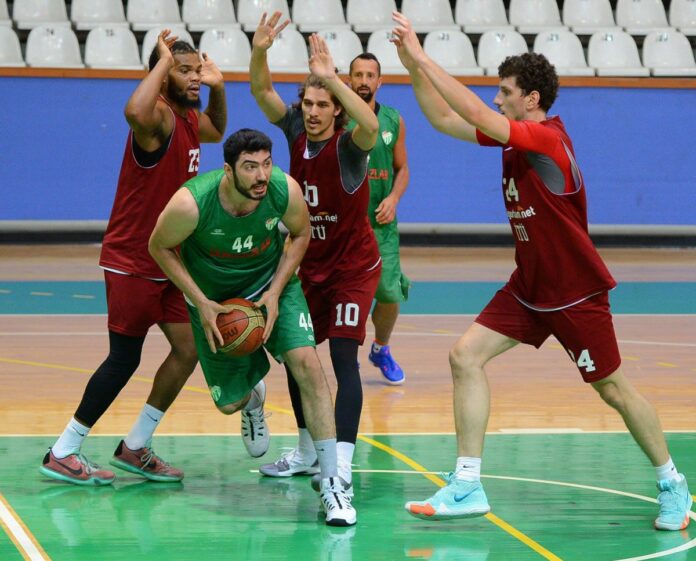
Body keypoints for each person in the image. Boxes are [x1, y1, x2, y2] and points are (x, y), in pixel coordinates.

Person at [391, 12, 692, 530]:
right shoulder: (514, 139)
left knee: (613, 390)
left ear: (531, 99)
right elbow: (442, 118)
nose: (496, 99)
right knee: (464, 356)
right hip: (529, 288)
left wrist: (422, 56)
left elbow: (473, 111)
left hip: (575, 292)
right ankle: (468, 484)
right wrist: (413, 69)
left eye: (505, 92)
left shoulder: (547, 140)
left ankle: (673, 485)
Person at [40, 31, 227, 486]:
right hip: (133, 260)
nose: (195, 78)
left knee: (189, 349)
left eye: (197, 70)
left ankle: (136, 445)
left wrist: (219, 87)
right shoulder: (156, 118)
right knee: (124, 359)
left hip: (169, 262)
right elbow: (132, 111)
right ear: (162, 76)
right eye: (184, 71)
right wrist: (162, 64)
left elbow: (217, 130)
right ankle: (63, 450)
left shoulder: (188, 117)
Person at [148, 128, 355, 526]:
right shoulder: (192, 204)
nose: (261, 175)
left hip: (270, 287)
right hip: (216, 303)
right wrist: (200, 301)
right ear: (228, 171)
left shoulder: (283, 190)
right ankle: (253, 399)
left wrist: (276, 291)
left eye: (266, 164)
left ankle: (332, 483)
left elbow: (301, 234)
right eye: (249, 167)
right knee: (228, 403)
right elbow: (159, 246)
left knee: (309, 365)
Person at [249, 13, 381, 493]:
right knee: (296, 353)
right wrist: (259, 52)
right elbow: (263, 92)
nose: (313, 111)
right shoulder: (296, 135)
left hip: (352, 270)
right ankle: (307, 451)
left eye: (323, 104)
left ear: (336, 109)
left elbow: (370, 123)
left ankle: (340, 463)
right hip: (308, 266)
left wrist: (331, 78)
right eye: (308, 102)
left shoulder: (350, 147)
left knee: (344, 358)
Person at [347, 53, 411, 386]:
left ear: (379, 81)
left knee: (389, 294)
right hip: (345, 226)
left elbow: (402, 169)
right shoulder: (337, 117)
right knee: (349, 296)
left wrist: (394, 198)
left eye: (370, 75)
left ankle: (380, 349)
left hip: (381, 225)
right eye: (358, 75)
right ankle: (346, 357)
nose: (364, 81)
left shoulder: (393, 120)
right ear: (348, 80)